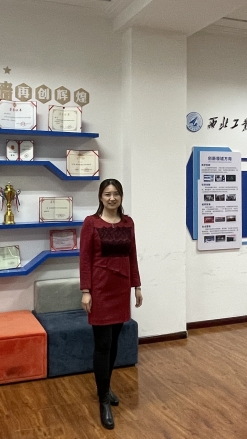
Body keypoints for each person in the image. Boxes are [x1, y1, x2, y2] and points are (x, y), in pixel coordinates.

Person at [79, 178, 143, 430]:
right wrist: (86, 291)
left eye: (116, 193)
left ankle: (105, 387)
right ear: (100, 197)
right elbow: (85, 259)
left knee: (114, 342)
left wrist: (137, 286)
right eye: (107, 194)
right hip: (100, 290)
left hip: (120, 289)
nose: (112, 198)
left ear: (121, 196)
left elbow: (132, 255)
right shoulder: (91, 223)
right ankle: (103, 399)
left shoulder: (128, 223)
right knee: (103, 344)